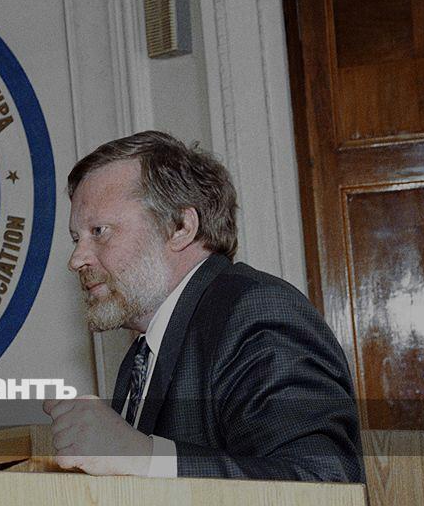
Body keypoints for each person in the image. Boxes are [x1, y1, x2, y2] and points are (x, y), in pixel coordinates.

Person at [42, 130, 364, 481]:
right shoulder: (142, 352)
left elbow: (323, 480)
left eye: (99, 231)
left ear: (180, 227)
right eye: (76, 238)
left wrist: (143, 456)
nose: (76, 259)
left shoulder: (256, 314)